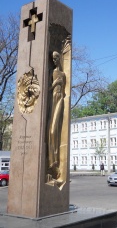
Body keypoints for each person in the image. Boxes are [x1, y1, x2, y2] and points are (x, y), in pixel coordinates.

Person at [48, 51, 66, 181]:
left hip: (60, 99)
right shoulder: (53, 72)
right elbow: (48, 89)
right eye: (52, 59)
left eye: (55, 58)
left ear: (59, 58)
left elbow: (64, 90)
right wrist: (55, 83)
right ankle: (52, 162)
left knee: (57, 129)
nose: (54, 61)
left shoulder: (63, 74)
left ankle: (56, 162)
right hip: (52, 99)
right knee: (52, 130)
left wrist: (60, 83)